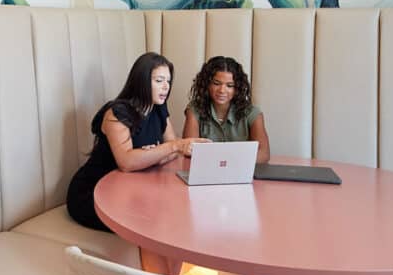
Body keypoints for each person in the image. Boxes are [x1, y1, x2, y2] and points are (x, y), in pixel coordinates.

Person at [66, 52, 208, 233]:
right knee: (155, 221)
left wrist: (152, 154)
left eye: (168, 81)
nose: (165, 87)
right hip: (93, 193)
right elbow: (127, 162)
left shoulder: (158, 108)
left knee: (172, 214)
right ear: (141, 81)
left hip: (128, 191)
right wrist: (167, 149)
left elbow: (171, 152)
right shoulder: (117, 113)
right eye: (159, 81)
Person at [182, 55, 271, 164]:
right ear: (207, 84)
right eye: (216, 83)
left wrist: (230, 164)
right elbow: (189, 151)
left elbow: (264, 154)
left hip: (241, 172)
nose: (222, 90)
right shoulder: (194, 110)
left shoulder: (252, 113)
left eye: (230, 85)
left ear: (237, 88)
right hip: (206, 172)